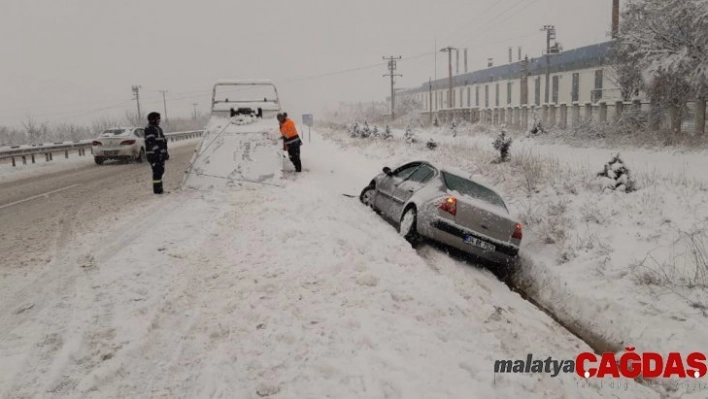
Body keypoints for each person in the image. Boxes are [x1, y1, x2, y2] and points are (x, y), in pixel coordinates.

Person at [145, 112, 169, 194]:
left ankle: (160, 189)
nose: (159, 120)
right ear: (153, 119)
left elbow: (163, 141)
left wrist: (165, 153)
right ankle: (157, 191)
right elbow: (151, 142)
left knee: (161, 171)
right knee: (157, 172)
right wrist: (157, 153)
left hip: (160, 155)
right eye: (158, 119)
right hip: (153, 155)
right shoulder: (149, 129)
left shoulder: (158, 128)